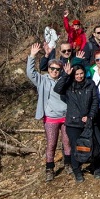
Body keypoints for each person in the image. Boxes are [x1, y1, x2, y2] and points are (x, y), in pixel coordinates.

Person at [26, 43, 71, 181]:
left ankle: (68, 164)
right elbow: (30, 73)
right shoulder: (42, 80)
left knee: (67, 142)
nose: (54, 71)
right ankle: (49, 169)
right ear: (48, 69)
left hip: (65, 116)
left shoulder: (64, 80)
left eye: (57, 69)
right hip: (50, 118)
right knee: (51, 144)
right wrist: (32, 56)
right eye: (52, 68)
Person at [53, 63, 100, 183]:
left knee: (98, 145)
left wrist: (90, 116)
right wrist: (65, 75)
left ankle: (97, 169)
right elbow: (57, 89)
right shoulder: (69, 85)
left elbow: (95, 101)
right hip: (73, 123)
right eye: (77, 74)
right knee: (76, 148)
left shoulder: (90, 84)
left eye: (81, 73)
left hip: (89, 121)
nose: (79, 76)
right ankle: (77, 171)